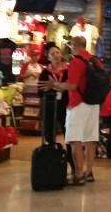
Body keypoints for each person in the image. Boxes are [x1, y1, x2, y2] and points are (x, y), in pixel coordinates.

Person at [38, 36, 102, 186]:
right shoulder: (95, 61)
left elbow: (72, 86)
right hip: (94, 104)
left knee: (75, 140)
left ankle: (78, 175)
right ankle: (89, 172)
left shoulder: (76, 62)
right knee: (90, 140)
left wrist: (55, 84)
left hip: (78, 104)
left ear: (74, 45)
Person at [37, 43, 75, 175]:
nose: (56, 55)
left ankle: (73, 163)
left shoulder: (68, 70)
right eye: (52, 54)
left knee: (69, 135)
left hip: (66, 106)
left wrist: (53, 85)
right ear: (48, 57)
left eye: (58, 52)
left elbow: (70, 88)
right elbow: (41, 91)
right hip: (50, 106)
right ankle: (51, 164)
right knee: (49, 134)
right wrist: (60, 87)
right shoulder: (45, 73)